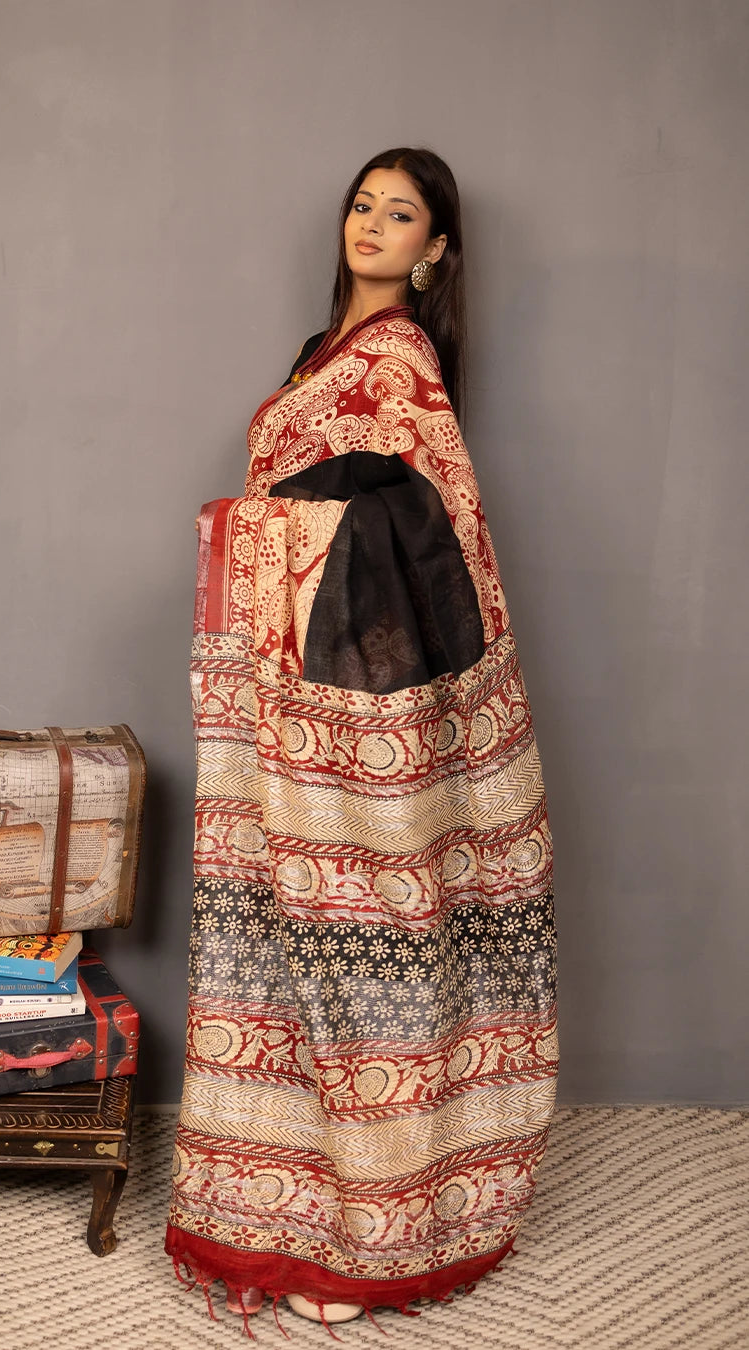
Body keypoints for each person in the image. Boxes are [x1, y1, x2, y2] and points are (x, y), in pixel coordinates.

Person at [165, 148, 558, 1333]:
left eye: (403, 214)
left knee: (364, 931)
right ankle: (283, 1207)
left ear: (436, 250)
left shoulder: (399, 359)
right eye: (363, 205)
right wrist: (264, 532)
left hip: (358, 698)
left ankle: (379, 1226)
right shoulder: (318, 354)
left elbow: (435, 527)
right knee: (278, 927)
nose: (374, 225)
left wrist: (271, 533)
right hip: (281, 682)